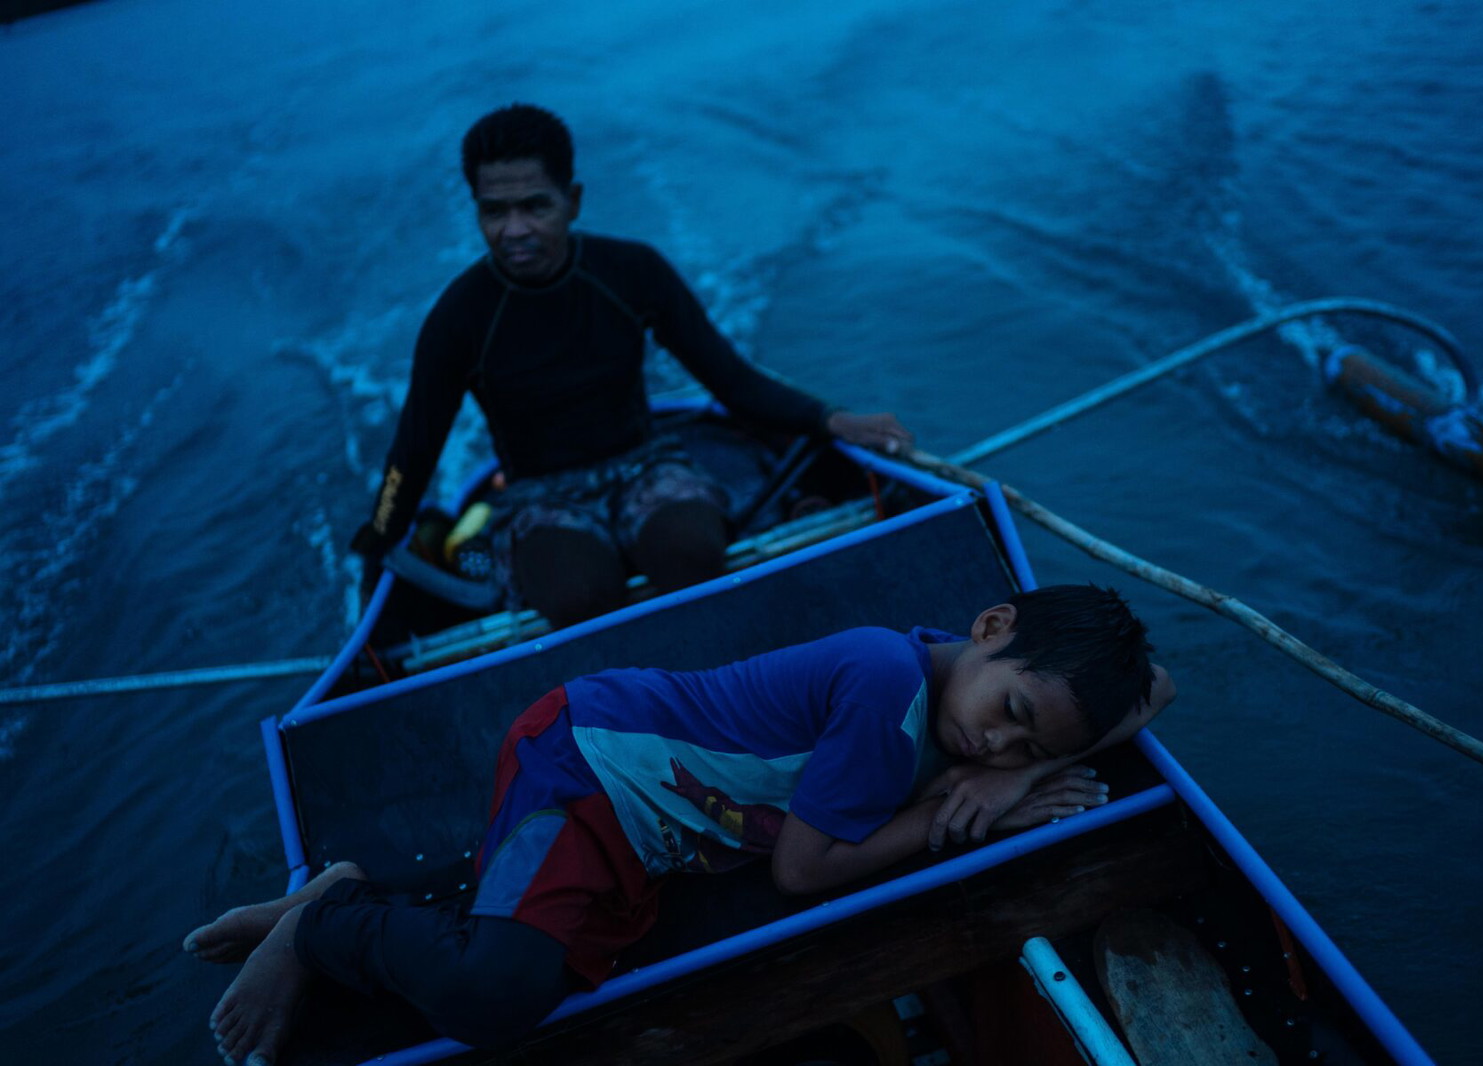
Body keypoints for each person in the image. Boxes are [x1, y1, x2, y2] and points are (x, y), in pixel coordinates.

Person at [187, 583, 1175, 1065]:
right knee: (496, 993)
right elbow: (802, 870)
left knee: (530, 939)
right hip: (582, 764)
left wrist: (1026, 770)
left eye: (1022, 745)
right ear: (992, 625)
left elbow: (1156, 687)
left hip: (648, 837)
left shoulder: (972, 711)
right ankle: (327, 919)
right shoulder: (885, 684)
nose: (993, 747)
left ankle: (340, 889)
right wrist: (958, 824)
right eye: (1007, 714)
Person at [350, 103, 913, 625]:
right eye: (494, 211)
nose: (514, 229)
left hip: (647, 466)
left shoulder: (631, 272)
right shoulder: (459, 318)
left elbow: (730, 379)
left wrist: (833, 419)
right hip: (539, 496)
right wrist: (379, 539)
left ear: (573, 200)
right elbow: (414, 451)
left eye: (535, 206)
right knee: (579, 597)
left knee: (690, 554)